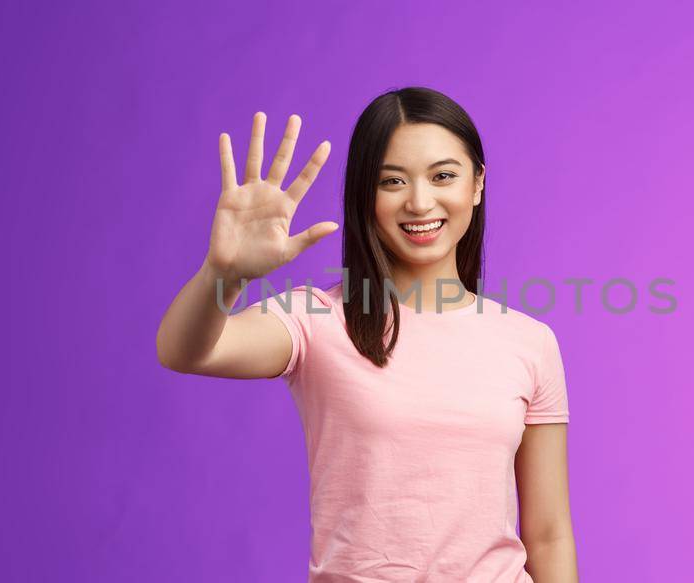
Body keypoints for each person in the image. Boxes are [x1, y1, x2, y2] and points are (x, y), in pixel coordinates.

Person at [156, 87, 577, 582]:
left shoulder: (529, 341)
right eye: (391, 181)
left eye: (443, 176)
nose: (420, 202)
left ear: (478, 183)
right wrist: (223, 274)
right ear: (364, 194)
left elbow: (548, 531)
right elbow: (186, 352)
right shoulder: (315, 318)